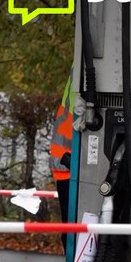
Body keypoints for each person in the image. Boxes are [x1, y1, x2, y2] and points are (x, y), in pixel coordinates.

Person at [49, 73, 74, 248]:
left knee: (71, 225)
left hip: (67, 163)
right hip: (68, 163)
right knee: (73, 227)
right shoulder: (82, 69)